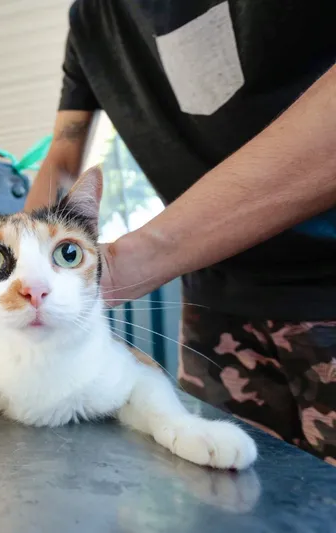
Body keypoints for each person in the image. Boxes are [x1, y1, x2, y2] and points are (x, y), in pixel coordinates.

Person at [26, 1, 336, 463]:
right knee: (219, 489)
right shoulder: (90, 20)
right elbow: (63, 159)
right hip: (214, 305)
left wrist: (136, 257)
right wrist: (11, 260)